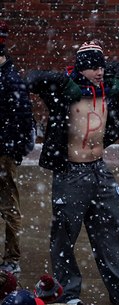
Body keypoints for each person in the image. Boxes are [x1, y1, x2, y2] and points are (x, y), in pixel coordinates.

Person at [25, 40, 119, 305]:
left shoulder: (106, 90)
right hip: (71, 170)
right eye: (92, 67)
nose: (99, 71)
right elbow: (33, 78)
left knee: (111, 229)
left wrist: (104, 70)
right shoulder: (64, 91)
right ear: (80, 69)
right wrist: (67, 81)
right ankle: (67, 292)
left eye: (100, 66)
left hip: (99, 168)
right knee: (65, 233)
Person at [0, 20, 36, 276]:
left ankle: (11, 258)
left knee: (9, 205)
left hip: (3, 153)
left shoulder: (11, 81)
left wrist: (15, 150)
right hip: (6, 150)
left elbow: (24, 120)